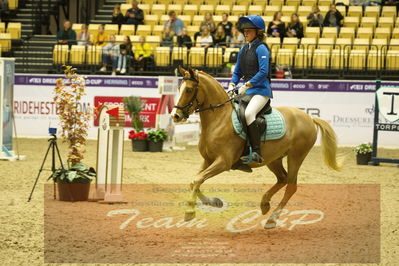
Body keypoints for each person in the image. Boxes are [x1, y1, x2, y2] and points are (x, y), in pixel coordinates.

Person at [227, 15, 272, 164]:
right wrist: (232, 84)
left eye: (249, 31)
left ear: (258, 32)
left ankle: (257, 153)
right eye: (244, 31)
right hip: (246, 91)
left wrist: (247, 85)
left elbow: (263, 72)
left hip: (261, 91)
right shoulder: (244, 49)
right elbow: (237, 71)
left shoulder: (261, 48)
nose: (245, 33)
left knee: (249, 113)